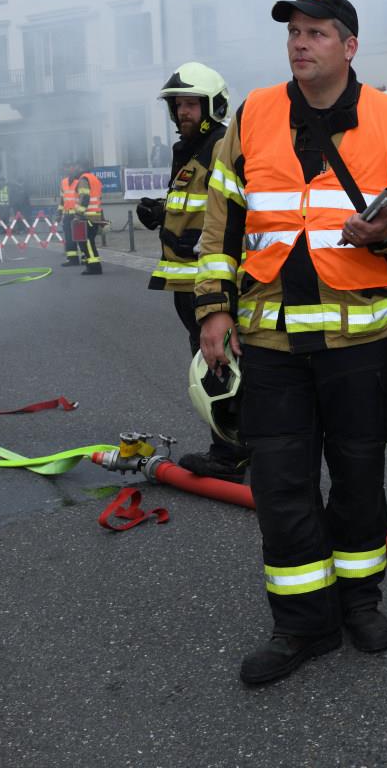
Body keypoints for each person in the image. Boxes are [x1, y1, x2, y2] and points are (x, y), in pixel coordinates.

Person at [194, 0, 387, 686]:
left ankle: (359, 600)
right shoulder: (253, 115)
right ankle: (303, 624)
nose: (300, 43)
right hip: (270, 343)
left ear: (349, 46)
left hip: (361, 344)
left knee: (359, 482)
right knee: (281, 489)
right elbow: (221, 224)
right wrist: (213, 310)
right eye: (294, 33)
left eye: (316, 32)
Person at [135, 61, 250, 482]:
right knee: (217, 363)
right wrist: (162, 212)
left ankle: (229, 455)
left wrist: (201, 242)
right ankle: (239, 447)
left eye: (191, 104)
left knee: (218, 365)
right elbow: (198, 204)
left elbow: (234, 211)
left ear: (213, 106)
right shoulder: (192, 150)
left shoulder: (220, 146)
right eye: (178, 105)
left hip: (208, 283)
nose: (183, 112)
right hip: (189, 280)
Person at [59, 159, 103, 275]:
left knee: (86, 243)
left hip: (87, 216)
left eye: (76, 167)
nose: (75, 169)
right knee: (88, 243)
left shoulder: (84, 179)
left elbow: (85, 198)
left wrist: (78, 215)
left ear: (81, 167)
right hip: (94, 215)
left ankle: (94, 267)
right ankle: (92, 265)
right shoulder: (94, 178)